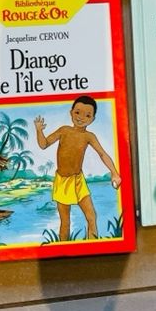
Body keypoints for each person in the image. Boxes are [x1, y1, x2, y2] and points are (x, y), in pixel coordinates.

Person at [34, 96, 121, 241]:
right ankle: (63, 249)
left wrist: (114, 172)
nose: (81, 117)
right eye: (77, 112)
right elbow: (44, 145)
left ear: (93, 119)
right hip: (62, 182)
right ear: (71, 112)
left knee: (91, 217)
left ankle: (93, 246)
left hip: (78, 181)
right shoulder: (64, 130)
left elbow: (102, 154)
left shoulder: (89, 136)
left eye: (87, 115)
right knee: (65, 222)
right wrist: (39, 130)